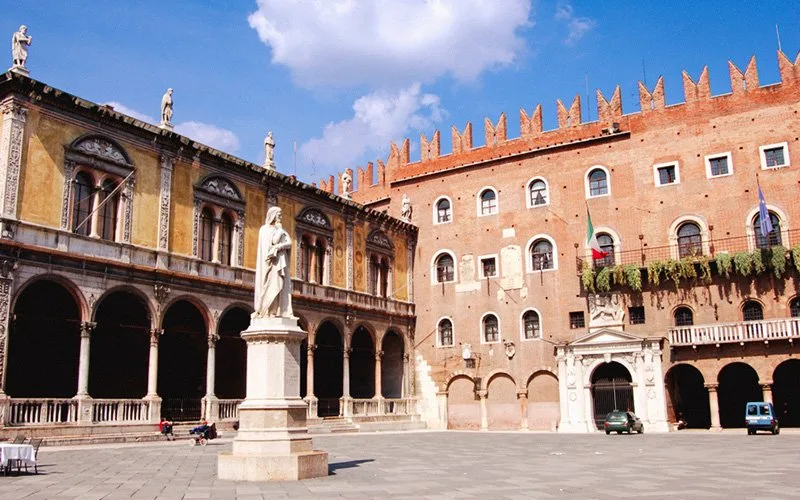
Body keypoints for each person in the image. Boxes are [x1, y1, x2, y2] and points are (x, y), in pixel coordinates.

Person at [254, 206, 294, 319]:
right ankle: (268, 311)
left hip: (280, 261)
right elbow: (274, 241)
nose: (281, 217)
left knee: (281, 286)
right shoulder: (265, 229)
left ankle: (277, 311)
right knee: (272, 286)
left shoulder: (281, 230)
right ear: (273, 215)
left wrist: (280, 246)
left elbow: (290, 243)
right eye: (279, 215)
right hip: (271, 264)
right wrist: (280, 231)